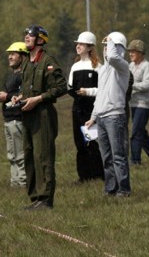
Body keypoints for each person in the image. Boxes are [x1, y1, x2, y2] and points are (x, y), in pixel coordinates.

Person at [19, 25, 67, 210]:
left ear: (40, 40)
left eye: (30, 35)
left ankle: (46, 200)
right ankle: (35, 198)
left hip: (43, 115)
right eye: (26, 34)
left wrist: (38, 99)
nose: (26, 37)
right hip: (27, 114)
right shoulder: (26, 62)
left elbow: (61, 88)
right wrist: (20, 97)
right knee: (29, 155)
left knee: (43, 156)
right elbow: (26, 88)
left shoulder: (48, 61)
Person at [85, 32, 132, 197]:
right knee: (106, 158)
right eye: (104, 46)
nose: (106, 49)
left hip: (115, 116)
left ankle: (124, 189)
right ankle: (110, 189)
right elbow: (100, 96)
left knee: (118, 156)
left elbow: (113, 58)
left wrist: (112, 40)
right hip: (103, 118)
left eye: (109, 46)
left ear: (118, 48)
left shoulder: (123, 66)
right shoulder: (103, 70)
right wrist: (93, 117)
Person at [67, 31, 104, 182]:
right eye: (78, 43)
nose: (78, 46)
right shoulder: (75, 66)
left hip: (91, 110)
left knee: (91, 142)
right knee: (80, 143)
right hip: (77, 109)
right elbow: (70, 87)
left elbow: (103, 90)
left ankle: (98, 174)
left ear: (89, 47)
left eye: (81, 44)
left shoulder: (98, 67)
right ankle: (83, 176)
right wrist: (75, 93)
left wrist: (87, 92)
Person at [1, 42, 29, 187]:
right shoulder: (11, 75)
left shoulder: (25, 75)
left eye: (13, 54)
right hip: (8, 119)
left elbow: (24, 94)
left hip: (18, 119)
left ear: (23, 57)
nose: (10, 57)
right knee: (11, 154)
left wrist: (6, 96)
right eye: (9, 54)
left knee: (19, 153)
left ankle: (23, 182)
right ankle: (15, 182)